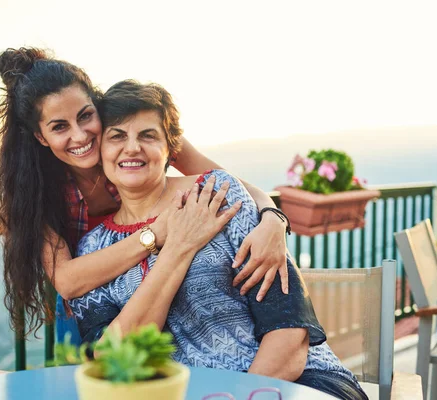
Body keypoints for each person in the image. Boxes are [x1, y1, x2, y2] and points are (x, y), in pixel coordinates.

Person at [69, 80, 368, 400]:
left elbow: (290, 333)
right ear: (100, 151)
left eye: (148, 135)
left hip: (295, 382)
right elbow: (110, 358)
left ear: (170, 149)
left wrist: (241, 396)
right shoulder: (94, 250)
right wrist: (178, 247)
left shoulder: (218, 194)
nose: (132, 148)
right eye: (117, 136)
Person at [0, 47, 291, 338]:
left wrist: (273, 219)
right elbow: (67, 281)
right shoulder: (33, 189)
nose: (79, 135)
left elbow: (230, 184)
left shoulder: (135, 138)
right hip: (98, 306)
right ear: (40, 136)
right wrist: (157, 232)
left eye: (85, 116)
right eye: (59, 127)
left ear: (98, 107)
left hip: (169, 291)